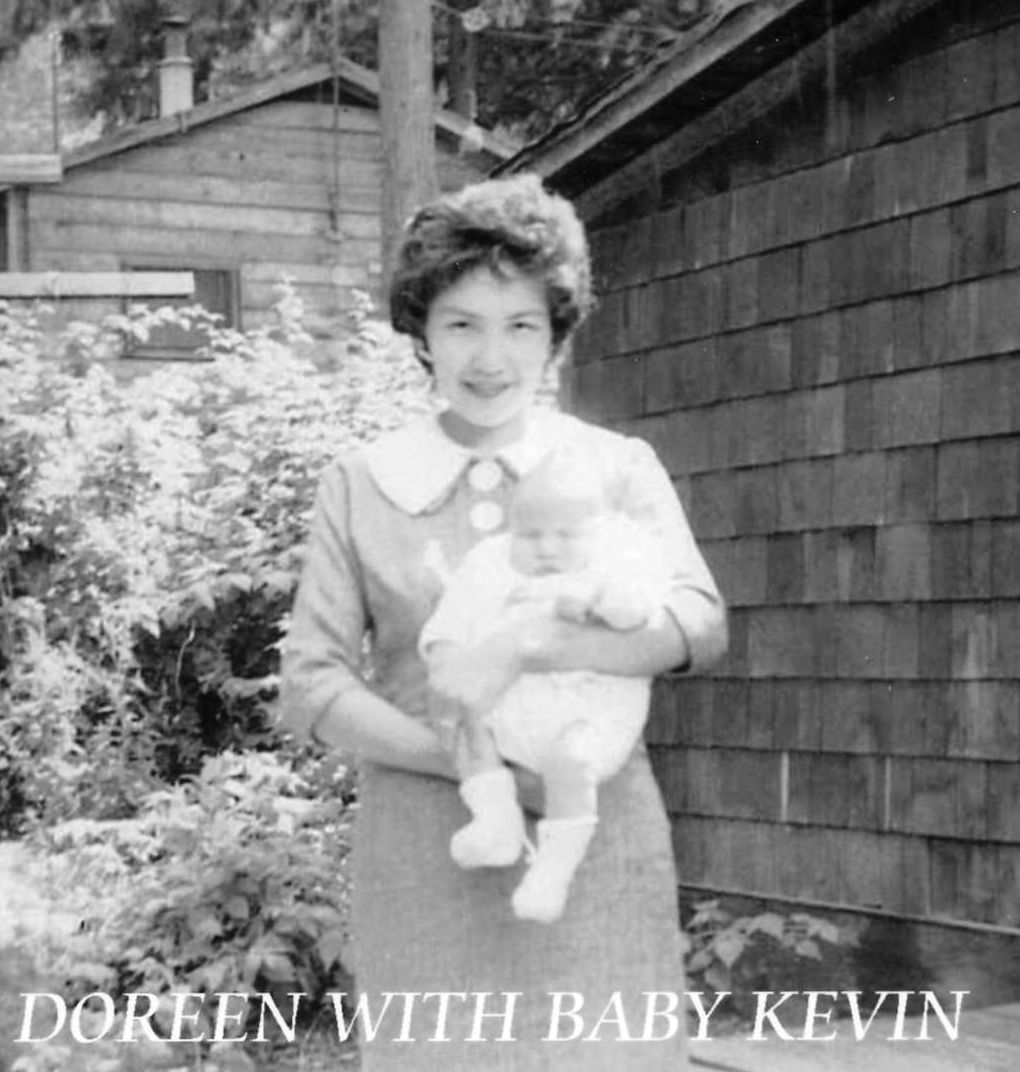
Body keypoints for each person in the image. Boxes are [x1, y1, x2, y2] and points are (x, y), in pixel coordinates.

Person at [279, 174, 726, 1071]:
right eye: (461, 325)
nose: (491, 357)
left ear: (556, 333)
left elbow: (698, 622)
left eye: (520, 325)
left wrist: (531, 642)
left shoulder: (614, 466)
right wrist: (475, 765)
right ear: (421, 333)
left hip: (594, 838)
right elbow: (311, 684)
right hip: (430, 845)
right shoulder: (363, 483)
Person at [418, 448, 675, 924]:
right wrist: (447, 657)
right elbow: (450, 619)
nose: (547, 549)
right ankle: (494, 820)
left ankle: (553, 871)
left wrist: (595, 602)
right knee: (464, 725)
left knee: (571, 761)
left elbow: (640, 613)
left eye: (566, 535)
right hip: (507, 707)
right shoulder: (489, 563)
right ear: (511, 528)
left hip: (586, 708)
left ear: (598, 529)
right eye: (531, 535)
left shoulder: (615, 563)